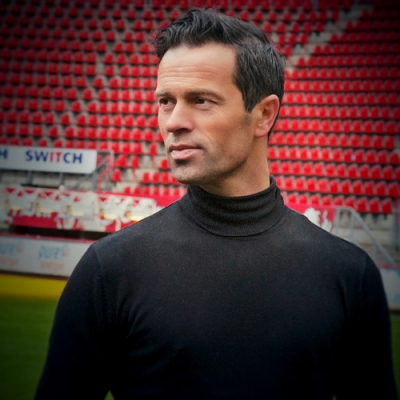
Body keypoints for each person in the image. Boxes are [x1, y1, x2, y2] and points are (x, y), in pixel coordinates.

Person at [35, 8, 397, 400]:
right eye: (166, 101)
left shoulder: (349, 275)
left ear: (264, 115)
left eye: (201, 100)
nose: (174, 121)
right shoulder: (109, 270)